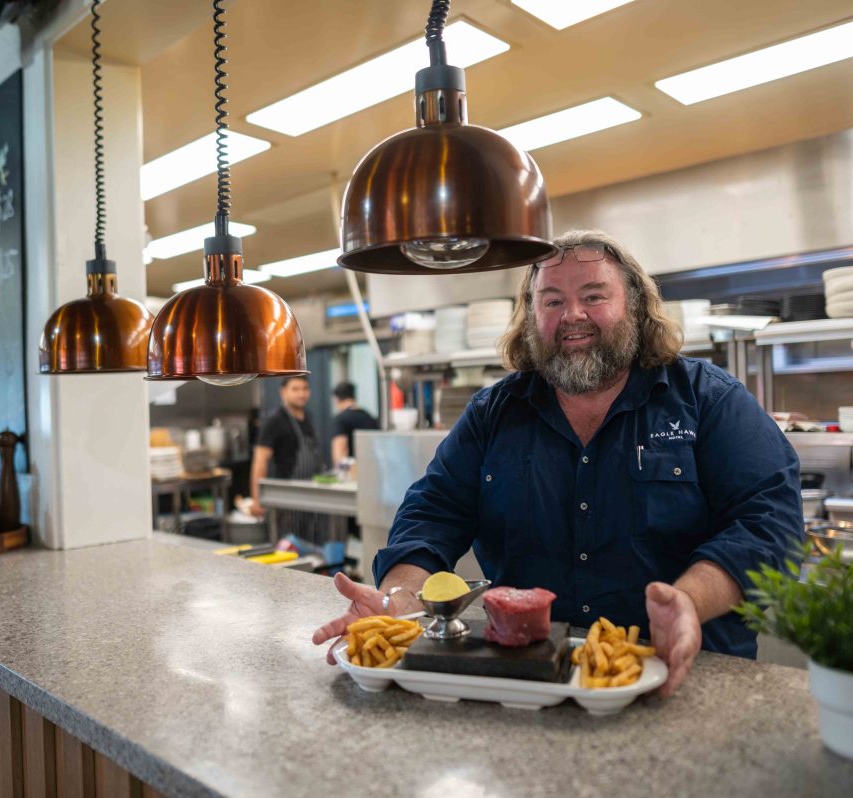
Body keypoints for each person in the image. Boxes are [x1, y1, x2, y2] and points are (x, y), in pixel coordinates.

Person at [312, 229, 802, 697]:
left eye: (594, 296)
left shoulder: (707, 399)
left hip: (690, 673)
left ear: (634, 306)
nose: (573, 315)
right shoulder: (493, 414)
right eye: (552, 301)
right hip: (528, 679)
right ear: (531, 316)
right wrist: (401, 598)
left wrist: (689, 601)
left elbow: (769, 521)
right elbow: (431, 513)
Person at [250, 376, 320, 521]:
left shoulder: (308, 417)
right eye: (295, 389)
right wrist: (257, 499)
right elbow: (260, 461)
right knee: (287, 542)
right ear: (283, 392)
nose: (301, 393)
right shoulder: (274, 421)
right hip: (285, 497)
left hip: (310, 495)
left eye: (305, 389)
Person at [330, 382, 378, 466]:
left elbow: (340, 449)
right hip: (372, 469)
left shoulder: (341, 419)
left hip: (353, 473)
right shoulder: (369, 417)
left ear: (336, 399)